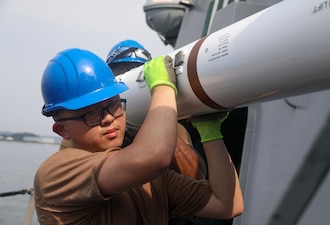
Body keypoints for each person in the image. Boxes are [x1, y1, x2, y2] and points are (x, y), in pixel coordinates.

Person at [34, 48, 244, 224]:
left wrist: (210, 132)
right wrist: (163, 87)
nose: (108, 118)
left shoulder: (154, 181)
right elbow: (155, 156)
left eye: (114, 105)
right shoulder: (56, 173)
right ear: (63, 130)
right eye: (91, 113)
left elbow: (228, 204)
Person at [59, 39, 206, 180]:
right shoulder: (85, 134)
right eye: (123, 74)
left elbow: (195, 176)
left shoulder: (175, 129)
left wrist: (161, 124)